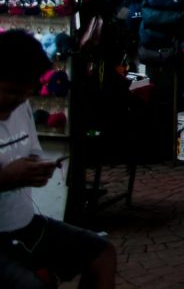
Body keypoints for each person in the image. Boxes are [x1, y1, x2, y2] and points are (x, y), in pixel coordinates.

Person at [0, 30, 117, 288]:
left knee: (102, 254)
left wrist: (37, 168)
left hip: (23, 224)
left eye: (25, 93)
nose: (18, 100)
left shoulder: (21, 107)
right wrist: (5, 178)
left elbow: (33, 151)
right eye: (10, 92)